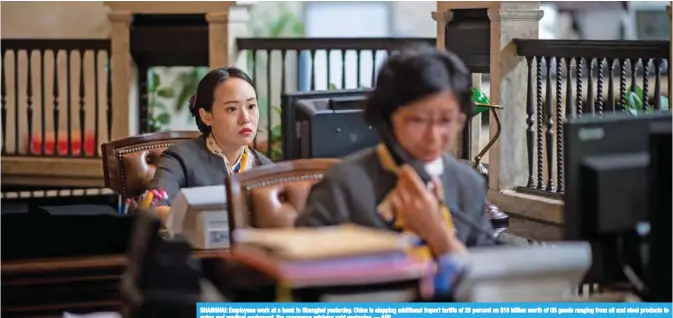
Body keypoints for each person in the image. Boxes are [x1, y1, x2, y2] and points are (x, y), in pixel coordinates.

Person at [295, 47, 494, 258]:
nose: (433, 136)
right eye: (417, 120)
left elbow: (490, 277)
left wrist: (437, 234)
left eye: (446, 121)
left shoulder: (469, 183)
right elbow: (301, 267)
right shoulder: (344, 183)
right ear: (388, 118)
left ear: (460, 120)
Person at [149, 67, 273, 224]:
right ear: (206, 116)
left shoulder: (266, 169)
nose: (245, 118)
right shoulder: (180, 158)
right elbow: (155, 208)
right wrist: (203, 222)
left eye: (251, 106)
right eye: (232, 109)